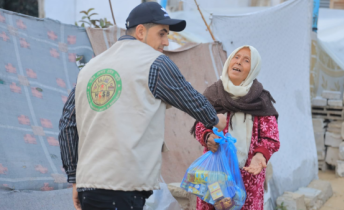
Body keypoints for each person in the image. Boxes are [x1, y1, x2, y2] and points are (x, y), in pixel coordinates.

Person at [58, 2, 227, 210]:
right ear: (140, 31)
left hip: (89, 188)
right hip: (122, 187)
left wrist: (75, 178)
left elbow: (67, 124)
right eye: (162, 33)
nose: (166, 41)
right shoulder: (155, 62)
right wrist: (215, 119)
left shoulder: (90, 68)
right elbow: (191, 100)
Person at [191, 46, 280, 210]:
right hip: (215, 175)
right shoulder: (213, 94)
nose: (238, 62)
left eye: (246, 60)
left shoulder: (260, 100)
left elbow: (271, 137)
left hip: (247, 177)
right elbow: (200, 126)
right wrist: (208, 137)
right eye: (236, 57)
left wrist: (260, 155)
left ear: (253, 69)